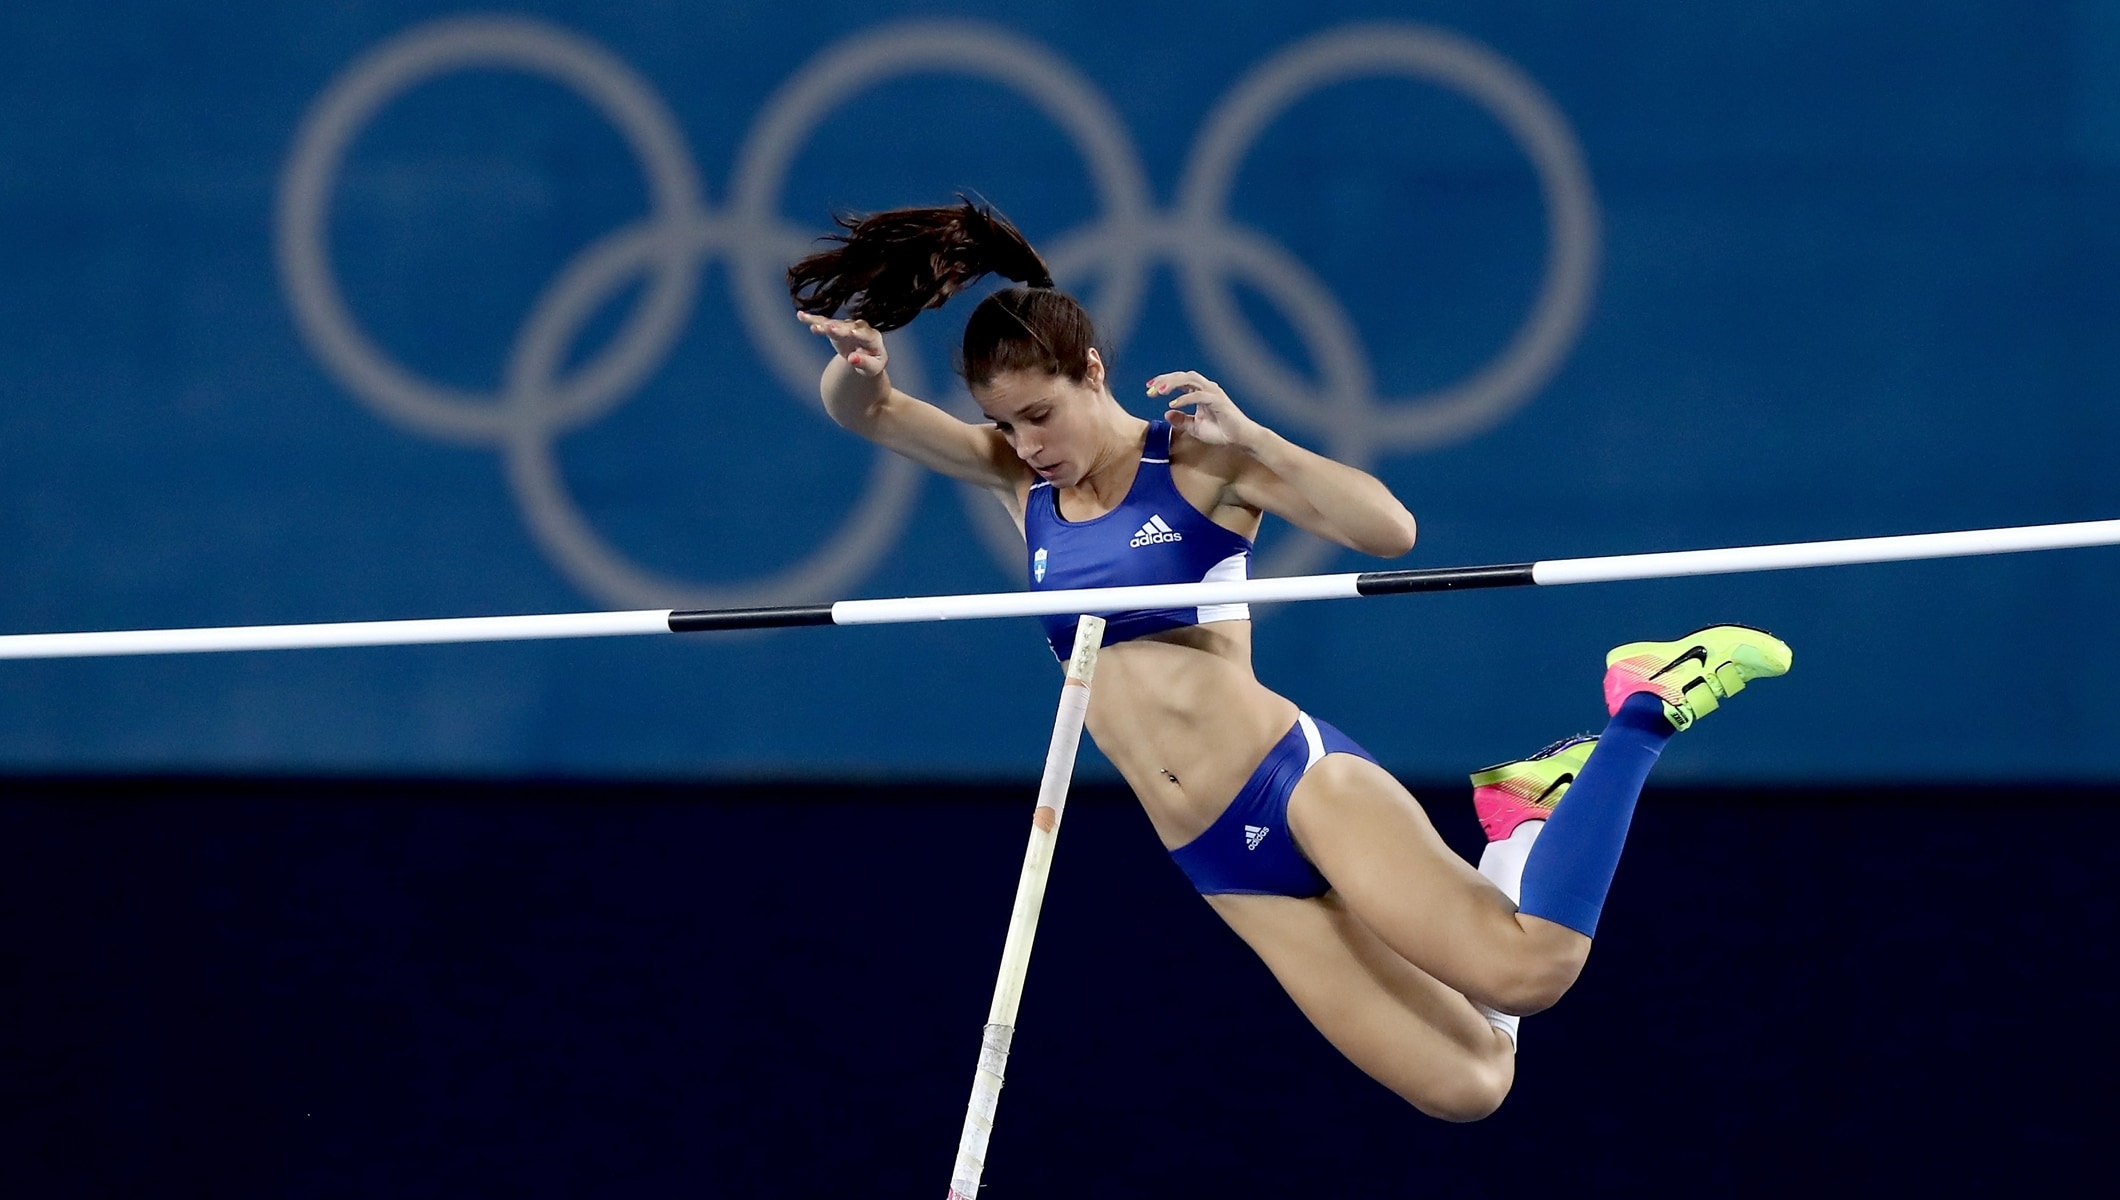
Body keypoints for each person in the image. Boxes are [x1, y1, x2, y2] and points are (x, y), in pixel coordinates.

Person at [787, 199, 1790, 1121]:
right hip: (1212, 856)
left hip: (1292, 781)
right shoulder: (1022, 486)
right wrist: (860, 368)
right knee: (1469, 1082)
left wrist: (1257, 438)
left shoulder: (1193, 463)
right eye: (1006, 422)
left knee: (1524, 975)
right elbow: (865, 415)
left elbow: (1388, 530)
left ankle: (1637, 714)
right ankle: (1521, 818)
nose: (1027, 442)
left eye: (1040, 413)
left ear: (1089, 369)